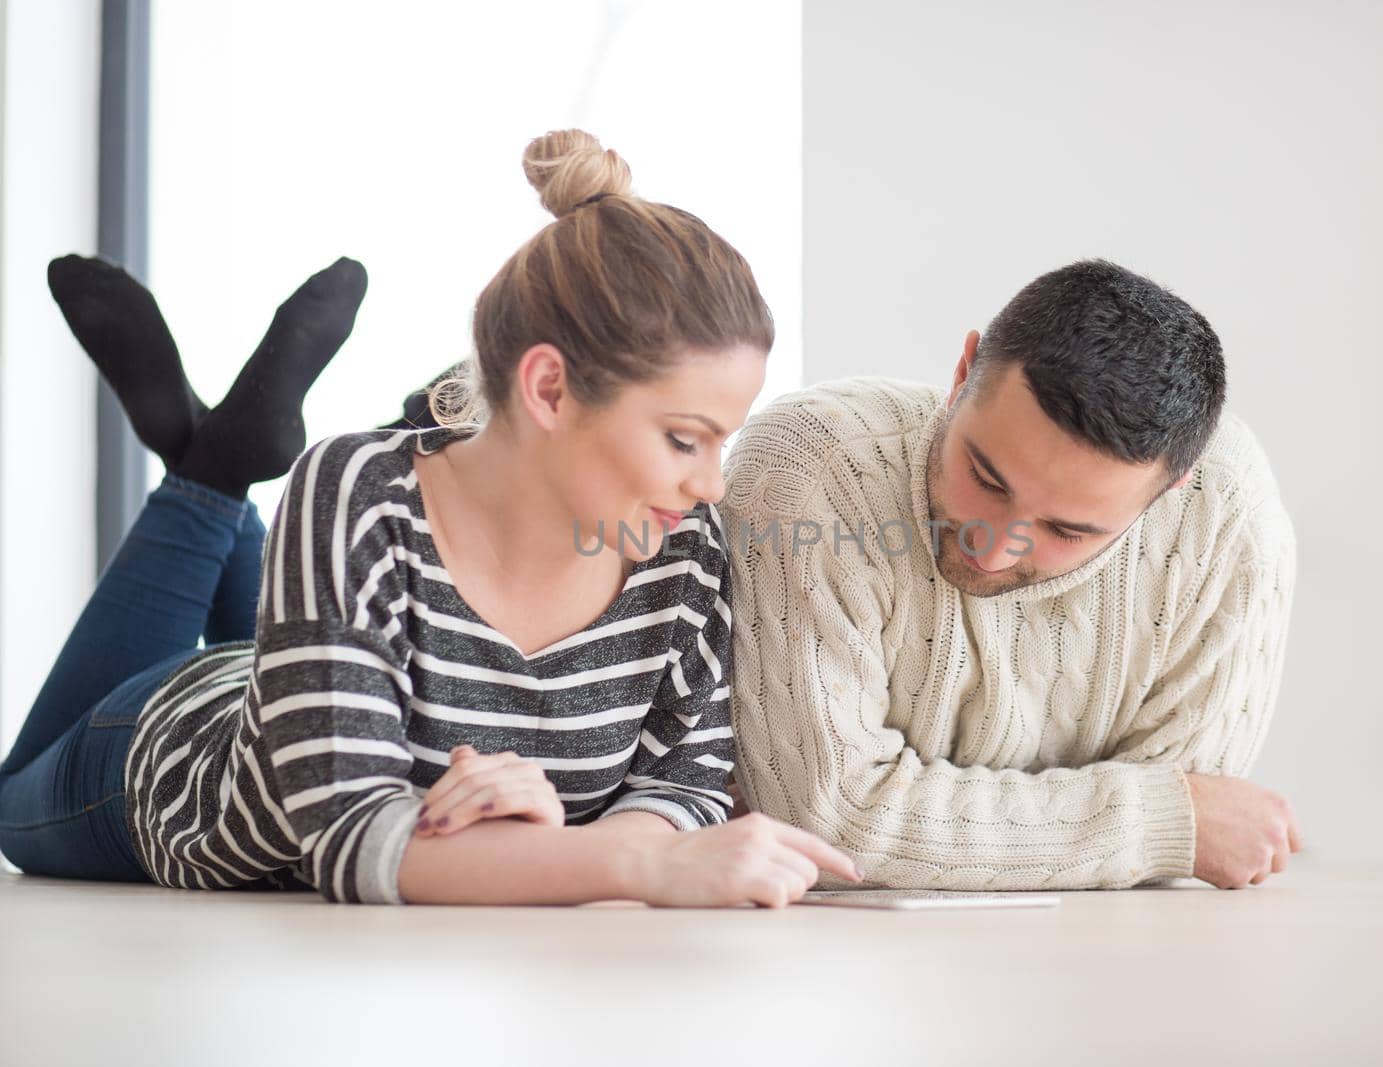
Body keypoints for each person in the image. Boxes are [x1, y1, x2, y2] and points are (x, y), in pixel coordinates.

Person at [0, 129, 859, 906]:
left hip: (322, 671)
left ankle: (216, 453)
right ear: (549, 387)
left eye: (722, 443)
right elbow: (351, 838)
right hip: (175, 759)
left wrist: (543, 843)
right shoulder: (356, 488)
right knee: (8, 806)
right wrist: (631, 863)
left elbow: (680, 786)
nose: (712, 485)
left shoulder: (685, 548)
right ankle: (213, 479)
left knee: (305, 647)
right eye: (683, 439)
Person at [719, 259, 1303, 892]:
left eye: (1068, 530)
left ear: (1171, 491)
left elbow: (1189, 805)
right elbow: (827, 820)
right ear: (963, 372)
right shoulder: (817, 467)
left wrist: (919, 818)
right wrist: (1157, 823)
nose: (995, 551)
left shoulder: (1225, 518)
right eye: (987, 479)